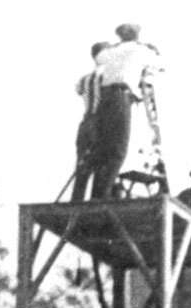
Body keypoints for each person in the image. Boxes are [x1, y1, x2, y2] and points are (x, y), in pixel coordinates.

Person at [85, 24, 161, 200]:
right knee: (118, 151)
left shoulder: (109, 52)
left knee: (104, 150)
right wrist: (152, 50)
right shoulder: (141, 50)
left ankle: (97, 195)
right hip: (121, 97)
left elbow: (99, 58)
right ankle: (103, 196)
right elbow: (159, 63)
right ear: (136, 35)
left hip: (104, 99)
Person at [70, 42, 111, 202]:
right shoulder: (108, 78)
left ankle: (76, 202)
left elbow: (78, 90)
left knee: (82, 167)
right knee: (102, 166)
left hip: (86, 123)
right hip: (100, 124)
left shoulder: (84, 79)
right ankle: (96, 203)